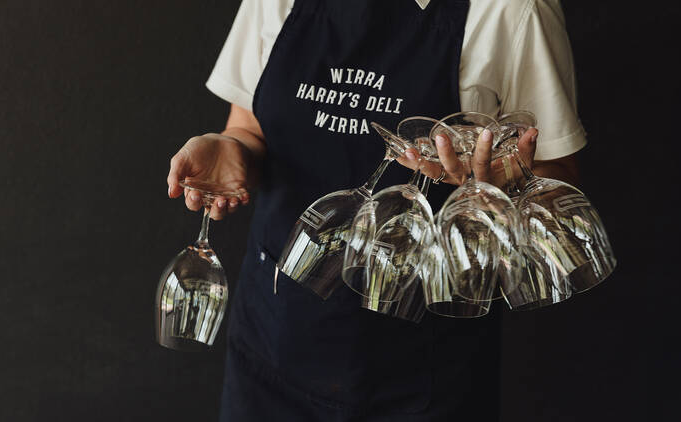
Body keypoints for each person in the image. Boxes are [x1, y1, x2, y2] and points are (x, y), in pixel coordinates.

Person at [167, 0, 585, 420]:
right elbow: (248, 125)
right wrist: (231, 149)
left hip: (420, 374)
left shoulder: (512, 9)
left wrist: (496, 186)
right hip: (271, 346)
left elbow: (555, 173)